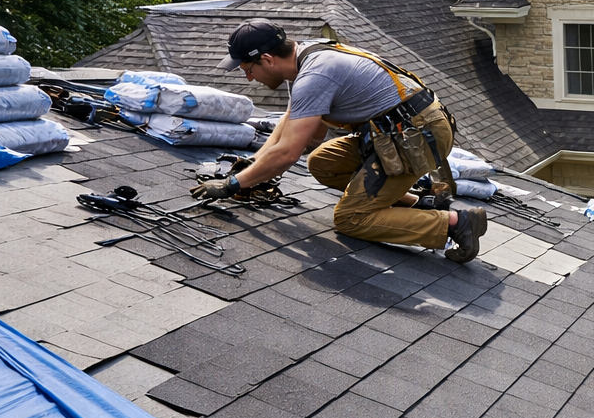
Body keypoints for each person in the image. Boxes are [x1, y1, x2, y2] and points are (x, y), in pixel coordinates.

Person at [193, 19, 487, 261]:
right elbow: (297, 125)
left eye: (248, 69)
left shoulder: (314, 76)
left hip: (416, 136)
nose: (249, 78)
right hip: (395, 131)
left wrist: (233, 184)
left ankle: (455, 223)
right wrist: (254, 166)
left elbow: (288, 152)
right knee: (323, 163)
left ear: (267, 60)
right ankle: (422, 202)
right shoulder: (307, 55)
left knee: (350, 219)